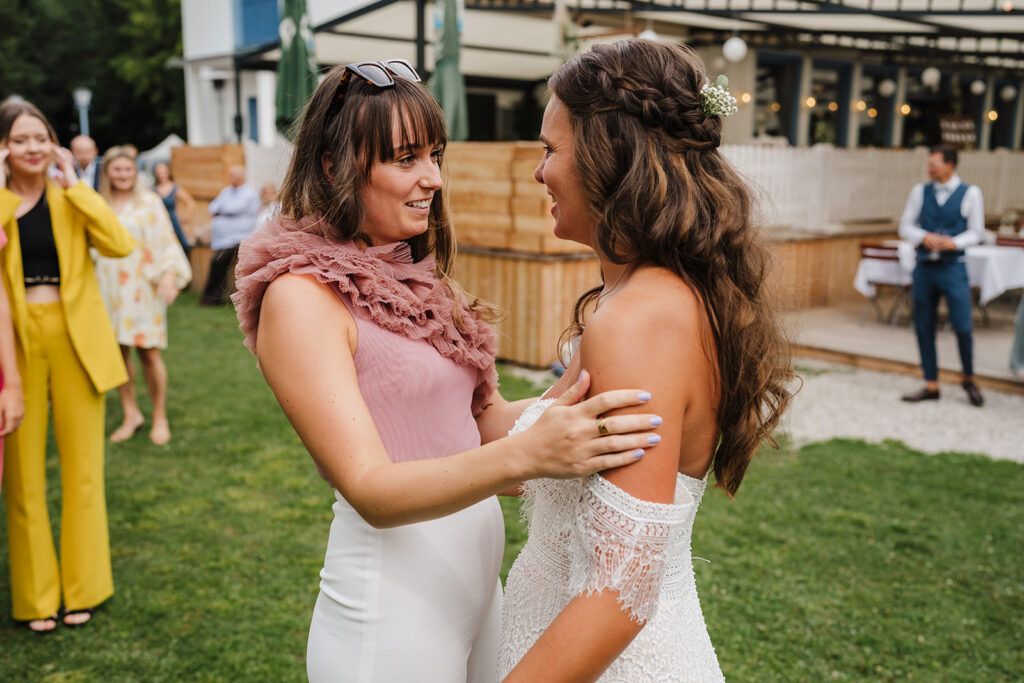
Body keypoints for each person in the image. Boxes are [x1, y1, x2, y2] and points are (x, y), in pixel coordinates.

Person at [230, 59, 660, 681]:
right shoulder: (300, 296)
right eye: (406, 159)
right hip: (391, 615)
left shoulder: (413, 279)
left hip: (479, 597)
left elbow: (481, 429)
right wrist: (529, 455)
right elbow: (372, 490)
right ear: (332, 166)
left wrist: (611, 338)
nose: (432, 178)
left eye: (435, 155)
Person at [495, 40, 792, 681]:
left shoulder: (638, 323)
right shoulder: (649, 300)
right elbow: (521, 441)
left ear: (608, 156)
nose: (539, 173)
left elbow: (620, 591)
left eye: (550, 150)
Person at [0, 100, 135, 633]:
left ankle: (84, 588)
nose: (32, 147)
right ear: (4, 148)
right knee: (23, 478)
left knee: (83, 472)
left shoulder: (70, 197)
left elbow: (119, 244)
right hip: (16, 340)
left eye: (41, 138)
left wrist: (75, 182)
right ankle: (36, 597)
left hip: (77, 340)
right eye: (20, 139)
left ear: (53, 145)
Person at [95, 147, 192, 445]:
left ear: (135, 171)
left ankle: (160, 416)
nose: (123, 174)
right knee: (119, 353)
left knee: (148, 352)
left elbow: (166, 242)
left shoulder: (149, 202)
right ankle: (131, 413)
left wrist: (169, 275)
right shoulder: (100, 204)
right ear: (107, 172)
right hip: (108, 286)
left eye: (128, 169)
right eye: (117, 169)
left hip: (141, 287)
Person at [898, 145, 985, 407]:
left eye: (934, 164)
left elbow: (977, 232)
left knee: (963, 326)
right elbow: (905, 226)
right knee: (923, 326)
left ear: (950, 165)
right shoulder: (919, 191)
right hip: (924, 268)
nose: (929, 169)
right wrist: (923, 236)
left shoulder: (971, 193)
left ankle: (968, 378)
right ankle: (931, 384)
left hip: (953, 267)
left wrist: (955, 242)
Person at [201, 165, 260, 305]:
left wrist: (221, 210)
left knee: (218, 262)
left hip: (238, 238)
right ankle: (212, 298)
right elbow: (212, 207)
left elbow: (234, 208)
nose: (229, 178)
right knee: (217, 264)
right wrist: (221, 210)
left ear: (240, 177)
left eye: (232, 176)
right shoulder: (226, 191)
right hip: (222, 240)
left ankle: (213, 297)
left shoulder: (249, 193)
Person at [153, 161, 194, 255]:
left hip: (173, 221)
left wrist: (187, 217)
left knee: (181, 246)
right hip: (159, 221)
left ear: (168, 172)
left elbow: (189, 202)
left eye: (163, 172)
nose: (161, 175)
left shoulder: (174, 188)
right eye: (159, 173)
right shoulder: (154, 190)